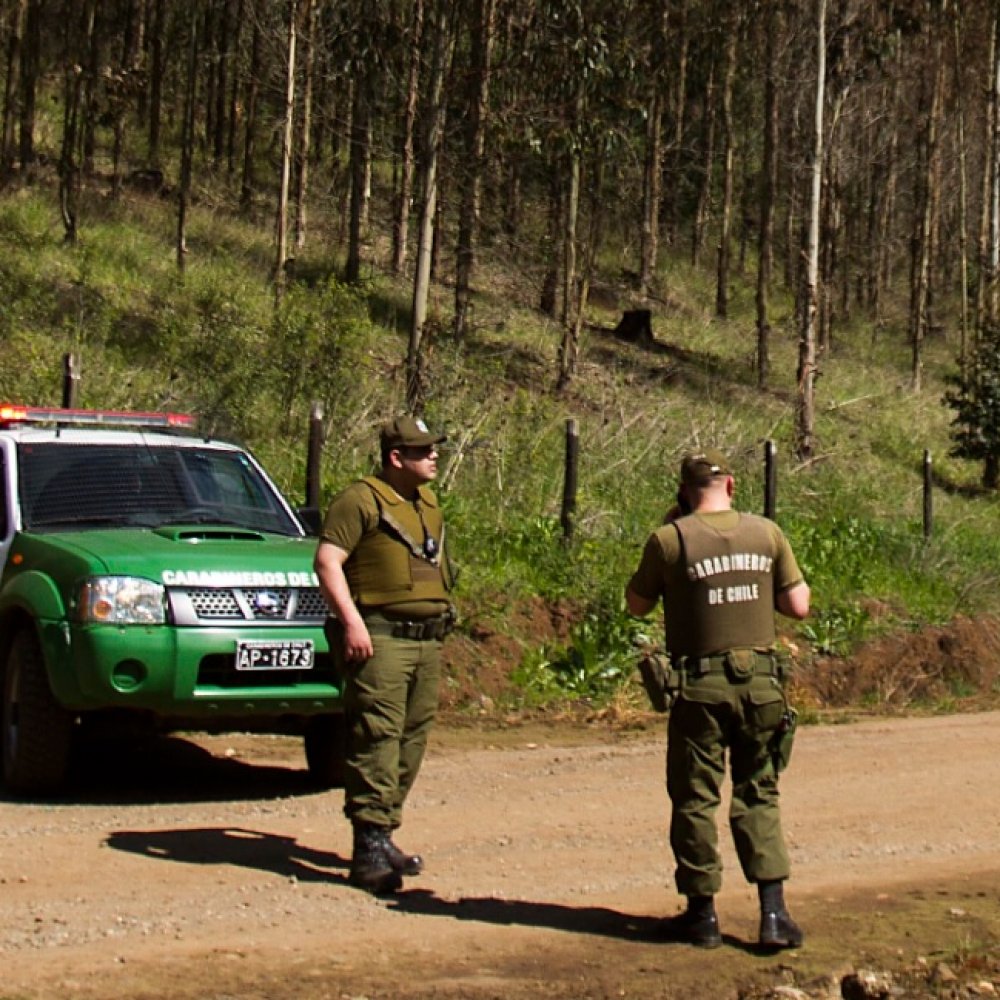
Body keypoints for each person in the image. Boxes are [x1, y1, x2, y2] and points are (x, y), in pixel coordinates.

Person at [624, 449, 810, 950]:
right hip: (762, 688)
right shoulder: (766, 533)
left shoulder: (670, 540)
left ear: (685, 492)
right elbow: (799, 605)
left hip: (699, 689)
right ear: (731, 486)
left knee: (694, 799)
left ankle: (702, 915)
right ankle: (773, 915)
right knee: (759, 792)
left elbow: (635, 605)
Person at [314, 415, 456, 895]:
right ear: (396, 458)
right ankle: (368, 846)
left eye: (434, 448)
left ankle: (384, 830)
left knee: (411, 738)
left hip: (426, 638)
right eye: (423, 450)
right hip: (382, 636)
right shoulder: (359, 500)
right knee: (377, 735)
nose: (433, 456)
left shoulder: (427, 503)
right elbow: (327, 561)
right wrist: (352, 623)